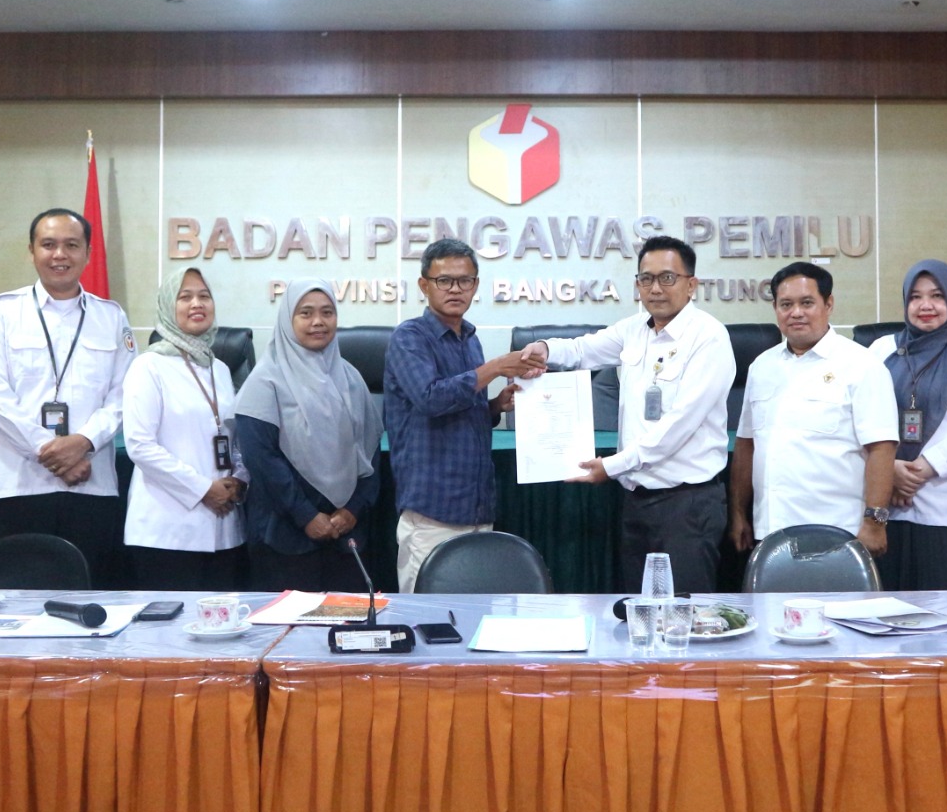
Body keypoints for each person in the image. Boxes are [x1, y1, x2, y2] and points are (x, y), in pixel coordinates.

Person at [520, 236, 735, 593]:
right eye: (646, 279)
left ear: (691, 284)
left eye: (667, 278)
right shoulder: (634, 330)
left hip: (687, 505)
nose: (655, 288)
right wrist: (544, 349)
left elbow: (678, 426)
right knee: (639, 608)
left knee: (684, 610)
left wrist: (612, 466)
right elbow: (582, 350)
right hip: (637, 501)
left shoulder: (709, 337)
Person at [0, 209, 135, 585]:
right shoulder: (1, 311)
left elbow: (124, 394)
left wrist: (83, 443)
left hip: (90, 485)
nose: (59, 254)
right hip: (18, 486)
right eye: (48, 244)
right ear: (31, 250)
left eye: (71, 245)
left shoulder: (111, 317)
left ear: (88, 253)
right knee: (17, 598)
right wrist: (52, 452)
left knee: (89, 595)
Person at [384, 239, 530, 592]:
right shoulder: (409, 338)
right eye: (444, 280)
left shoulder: (470, 339)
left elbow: (463, 410)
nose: (455, 289)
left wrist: (494, 406)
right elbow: (431, 398)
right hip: (433, 510)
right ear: (424, 285)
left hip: (477, 506)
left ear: (475, 285)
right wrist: (495, 368)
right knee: (428, 615)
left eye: (464, 281)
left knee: (475, 612)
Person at [729, 262, 897, 557]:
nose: (796, 312)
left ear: (828, 304)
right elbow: (746, 445)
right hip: (771, 530)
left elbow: (881, 449)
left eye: (807, 303)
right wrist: (739, 513)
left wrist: (875, 522)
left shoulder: (862, 365)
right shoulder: (761, 367)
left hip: (837, 532)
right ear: (775, 309)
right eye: (786, 304)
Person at [239, 279, 383, 591]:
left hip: (346, 535)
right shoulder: (265, 381)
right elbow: (261, 458)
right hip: (285, 538)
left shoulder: (351, 378)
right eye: (305, 313)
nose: (318, 321)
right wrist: (306, 515)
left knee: (348, 617)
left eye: (327, 312)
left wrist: (353, 508)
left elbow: (372, 449)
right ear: (287, 320)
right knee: (288, 621)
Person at [869, 260, 947, 591]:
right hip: (888, 513)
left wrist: (919, 470)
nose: (925, 305)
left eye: (937, 296)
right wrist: (890, 471)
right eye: (915, 297)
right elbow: (861, 421)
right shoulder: (882, 351)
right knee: (888, 610)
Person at [121, 268, 248, 591]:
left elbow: (235, 437)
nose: (197, 304)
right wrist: (203, 489)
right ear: (168, 305)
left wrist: (239, 478)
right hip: (167, 530)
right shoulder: (148, 366)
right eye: (185, 297)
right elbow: (140, 445)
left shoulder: (220, 369)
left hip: (225, 526)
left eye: (204, 296)